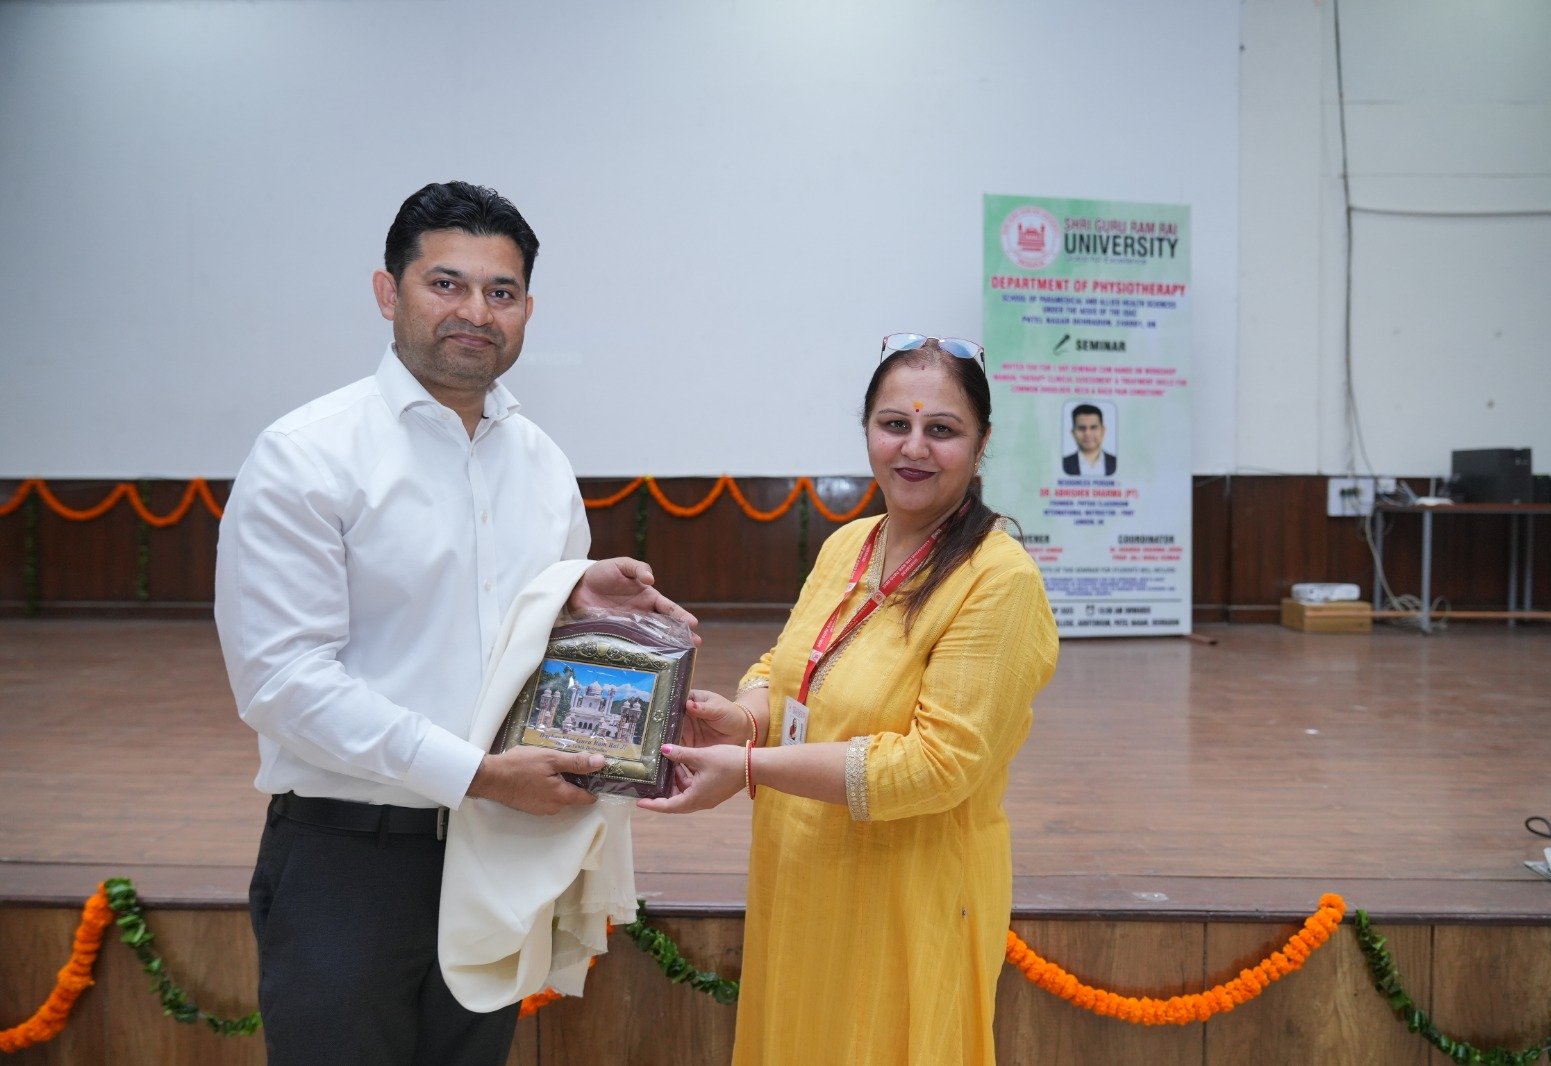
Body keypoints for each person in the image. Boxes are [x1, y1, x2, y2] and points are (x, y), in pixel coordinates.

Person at [215, 181, 693, 1066]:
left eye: (500, 291)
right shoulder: (307, 455)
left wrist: (580, 605)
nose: (476, 311)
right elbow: (284, 684)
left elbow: (533, 652)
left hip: (498, 854)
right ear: (387, 292)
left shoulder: (542, 464)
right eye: (446, 284)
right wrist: (476, 775)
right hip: (349, 859)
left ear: (527, 311)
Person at [639, 333, 1059, 1065]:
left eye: (942, 429)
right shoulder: (849, 545)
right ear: (867, 429)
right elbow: (788, 666)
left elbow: (938, 767)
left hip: (909, 897)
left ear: (982, 443)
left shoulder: (999, 580)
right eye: (894, 424)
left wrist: (749, 767)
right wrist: (744, 718)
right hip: (803, 876)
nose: (914, 448)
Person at [1063, 402, 1117, 476]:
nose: (1087, 434)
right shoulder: (1063, 464)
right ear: (1073, 433)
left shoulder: (1117, 463)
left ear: (1103, 431)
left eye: (1093, 428)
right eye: (1081, 428)